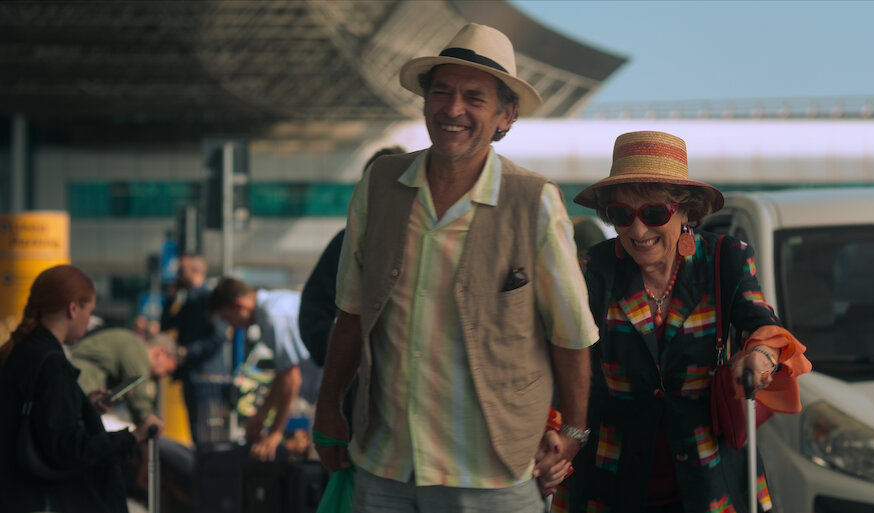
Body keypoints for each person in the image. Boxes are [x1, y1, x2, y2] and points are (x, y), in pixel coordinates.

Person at [313, 23, 598, 512]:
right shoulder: (379, 185)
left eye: (475, 98)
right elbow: (352, 312)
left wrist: (573, 431)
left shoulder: (533, 200)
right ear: (425, 102)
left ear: (506, 115)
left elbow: (570, 333)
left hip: (492, 472)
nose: (453, 109)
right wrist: (327, 408)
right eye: (441, 92)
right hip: (385, 463)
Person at [549, 131, 812, 512]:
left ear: (686, 211)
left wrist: (761, 355)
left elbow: (760, 321)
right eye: (622, 215)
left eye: (654, 213)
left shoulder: (726, 259)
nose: (638, 231)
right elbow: (565, 359)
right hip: (612, 475)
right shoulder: (593, 269)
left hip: (710, 477)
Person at [0, 265, 159, 513]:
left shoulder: (20, 350)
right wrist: (133, 437)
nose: (89, 321)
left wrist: (85, 408)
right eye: (90, 312)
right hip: (43, 499)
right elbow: (69, 449)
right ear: (73, 308)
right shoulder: (52, 363)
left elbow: (41, 423)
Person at [298, 145, 406, 367]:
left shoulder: (433, 236)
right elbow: (315, 309)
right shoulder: (348, 242)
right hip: (365, 379)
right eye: (377, 185)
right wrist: (343, 359)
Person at [209, 277, 322, 462]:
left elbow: (292, 378)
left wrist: (275, 433)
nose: (232, 326)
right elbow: (283, 375)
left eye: (227, 318)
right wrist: (261, 416)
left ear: (239, 305)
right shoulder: (273, 305)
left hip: (337, 394)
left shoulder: (273, 315)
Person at [161, 253, 229, 444]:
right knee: (196, 430)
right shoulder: (188, 300)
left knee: (208, 432)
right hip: (191, 374)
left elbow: (219, 336)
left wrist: (188, 351)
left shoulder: (208, 299)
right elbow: (167, 325)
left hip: (207, 376)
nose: (178, 276)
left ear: (196, 271)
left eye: (182, 271)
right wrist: (170, 298)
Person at [70, 327, 179, 427]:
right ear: (160, 353)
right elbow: (139, 402)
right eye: (167, 372)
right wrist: (152, 425)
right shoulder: (138, 352)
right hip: (78, 386)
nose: (161, 378)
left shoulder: (133, 345)